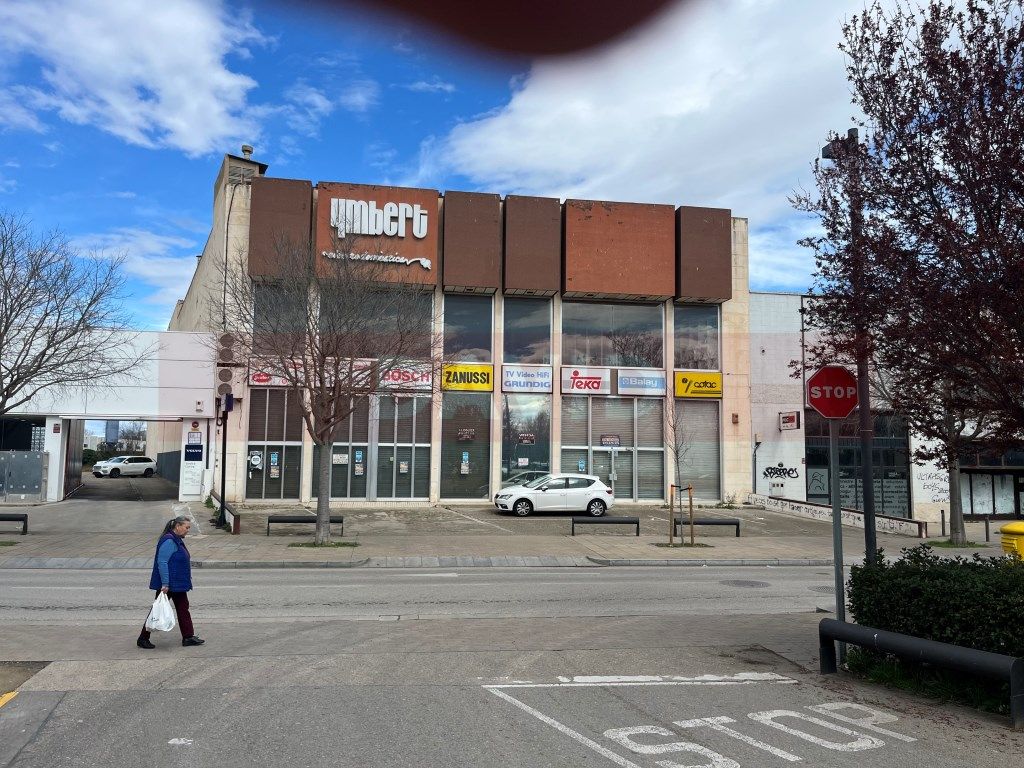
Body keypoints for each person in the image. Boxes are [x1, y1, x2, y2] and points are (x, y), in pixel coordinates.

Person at [137, 515, 204, 649]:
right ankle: (143, 638)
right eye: (186, 527)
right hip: (169, 584)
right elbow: (162, 563)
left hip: (177, 583)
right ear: (178, 526)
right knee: (156, 610)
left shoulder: (176, 539)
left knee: (183, 608)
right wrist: (165, 584)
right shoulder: (169, 541)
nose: (188, 530)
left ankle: (188, 637)